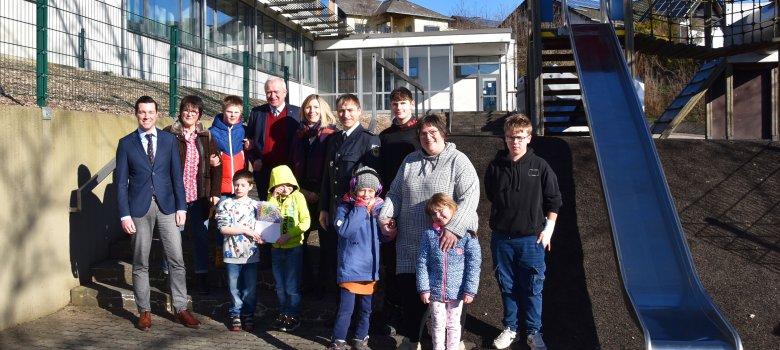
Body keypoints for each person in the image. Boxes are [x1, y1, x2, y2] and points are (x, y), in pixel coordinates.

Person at [379, 113, 479, 350]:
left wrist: (454, 229)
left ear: (443, 134)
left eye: (433, 132)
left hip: (447, 245)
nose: (428, 137)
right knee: (412, 296)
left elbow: (470, 197)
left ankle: (454, 342)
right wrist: (386, 216)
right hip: (411, 241)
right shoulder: (409, 161)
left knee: (450, 298)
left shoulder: (458, 160)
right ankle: (413, 338)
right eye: (423, 133)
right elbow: (395, 193)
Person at [116, 95, 201, 331]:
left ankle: (181, 308)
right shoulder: (126, 143)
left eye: (150, 112)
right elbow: (121, 182)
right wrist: (124, 215)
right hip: (139, 209)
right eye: (142, 112)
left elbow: (177, 176)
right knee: (140, 262)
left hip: (168, 207)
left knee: (177, 259)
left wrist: (181, 207)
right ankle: (144, 311)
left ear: (156, 114)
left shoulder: (168, 140)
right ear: (136, 114)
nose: (146, 116)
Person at [485, 113, 561, 350]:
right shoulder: (495, 167)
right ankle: (511, 328)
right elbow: (491, 195)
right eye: (510, 137)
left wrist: (548, 229)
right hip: (502, 239)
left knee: (532, 287)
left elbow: (554, 201)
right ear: (505, 138)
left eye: (519, 137)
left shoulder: (540, 166)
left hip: (532, 240)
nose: (514, 141)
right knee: (507, 285)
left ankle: (533, 331)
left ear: (529, 137)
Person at [319, 94, 381, 294]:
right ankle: (340, 313)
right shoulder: (334, 139)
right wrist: (323, 208)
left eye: (350, 110)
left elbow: (372, 182)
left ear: (359, 111)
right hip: (335, 210)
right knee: (335, 261)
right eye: (342, 111)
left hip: (356, 216)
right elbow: (327, 177)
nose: (346, 114)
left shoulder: (369, 140)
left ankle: (354, 316)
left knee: (353, 264)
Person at [162, 95, 222, 295]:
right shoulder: (168, 134)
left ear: (199, 115)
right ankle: (167, 276)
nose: (190, 114)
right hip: (174, 197)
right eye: (186, 110)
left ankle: (201, 276)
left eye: (194, 111)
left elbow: (217, 166)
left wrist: (215, 193)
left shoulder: (206, 136)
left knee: (201, 237)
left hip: (199, 197)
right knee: (172, 238)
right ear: (180, 112)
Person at [377, 86, 421, 333]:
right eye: (394, 104)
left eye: (403, 103)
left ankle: (415, 313)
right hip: (392, 207)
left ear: (412, 104)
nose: (399, 108)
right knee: (393, 261)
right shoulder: (384, 136)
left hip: (418, 207)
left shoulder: (422, 132)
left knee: (417, 261)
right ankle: (393, 312)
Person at [328, 166, 385, 350]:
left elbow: (383, 237)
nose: (367, 194)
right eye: (362, 189)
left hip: (370, 268)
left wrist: (390, 231)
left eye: (370, 190)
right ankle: (338, 340)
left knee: (366, 309)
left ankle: (361, 338)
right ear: (354, 188)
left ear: (377, 190)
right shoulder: (345, 207)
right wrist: (360, 209)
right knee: (346, 310)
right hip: (350, 267)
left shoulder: (380, 208)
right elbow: (345, 230)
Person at [416, 193, 481, 350]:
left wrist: (470, 290)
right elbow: (422, 263)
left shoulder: (467, 236)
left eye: (440, 210)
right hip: (435, 292)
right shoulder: (429, 236)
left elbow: (474, 263)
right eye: (433, 213)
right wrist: (424, 288)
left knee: (453, 324)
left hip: (457, 291)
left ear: (452, 208)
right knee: (437, 323)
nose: (438, 215)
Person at [291, 94, 337, 293]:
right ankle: (307, 282)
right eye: (308, 107)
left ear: (323, 110)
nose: (312, 111)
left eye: (316, 107)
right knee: (299, 238)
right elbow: (291, 163)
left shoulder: (331, 135)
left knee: (327, 242)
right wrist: (301, 190)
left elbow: (332, 167)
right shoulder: (298, 135)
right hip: (301, 191)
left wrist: (319, 193)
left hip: (323, 192)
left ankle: (325, 284)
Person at [215, 170, 263, 332]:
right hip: (232, 254)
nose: (239, 188)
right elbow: (223, 228)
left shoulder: (257, 206)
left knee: (250, 288)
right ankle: (235, 314)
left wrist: (263, 236)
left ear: (250, 186)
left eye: (243, 185)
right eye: (236, 185)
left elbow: (266, 227)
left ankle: (248, 314)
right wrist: (245, 231)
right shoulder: (226, 204)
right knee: (234, 287)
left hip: (251, 255)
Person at [266, 164, 311, 332]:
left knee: (292, 286)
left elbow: (305, 221)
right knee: (280, 286)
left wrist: (289, 235)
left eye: (288, 184)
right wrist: (272, 197)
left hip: (293, 248)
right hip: (276, 249)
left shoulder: (298, 197)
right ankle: (283, 313)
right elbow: (266, 220)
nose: (285, 188)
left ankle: (294, 314)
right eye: (280, 184)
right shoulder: (272, 199)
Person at [209, 95, 248, 268]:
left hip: (239, 185)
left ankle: (239, 252)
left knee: (239, 220)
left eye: (236, 112)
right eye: (229, 112)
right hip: (222, 186)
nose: (232, 115)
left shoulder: (243, 130)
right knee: (222, 221)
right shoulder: (213, 131)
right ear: (223, 111)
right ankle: (219, 251)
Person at [247, 77, 301, 196]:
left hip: (289, 172)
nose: (272, 96)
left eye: (276, 92)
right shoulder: (257, 113)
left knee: (287, 210)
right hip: (264, 173)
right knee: (266, 210)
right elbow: (247, 141)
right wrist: (254, 159)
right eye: (268, 92)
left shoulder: (297, 113)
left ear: (285, 93)